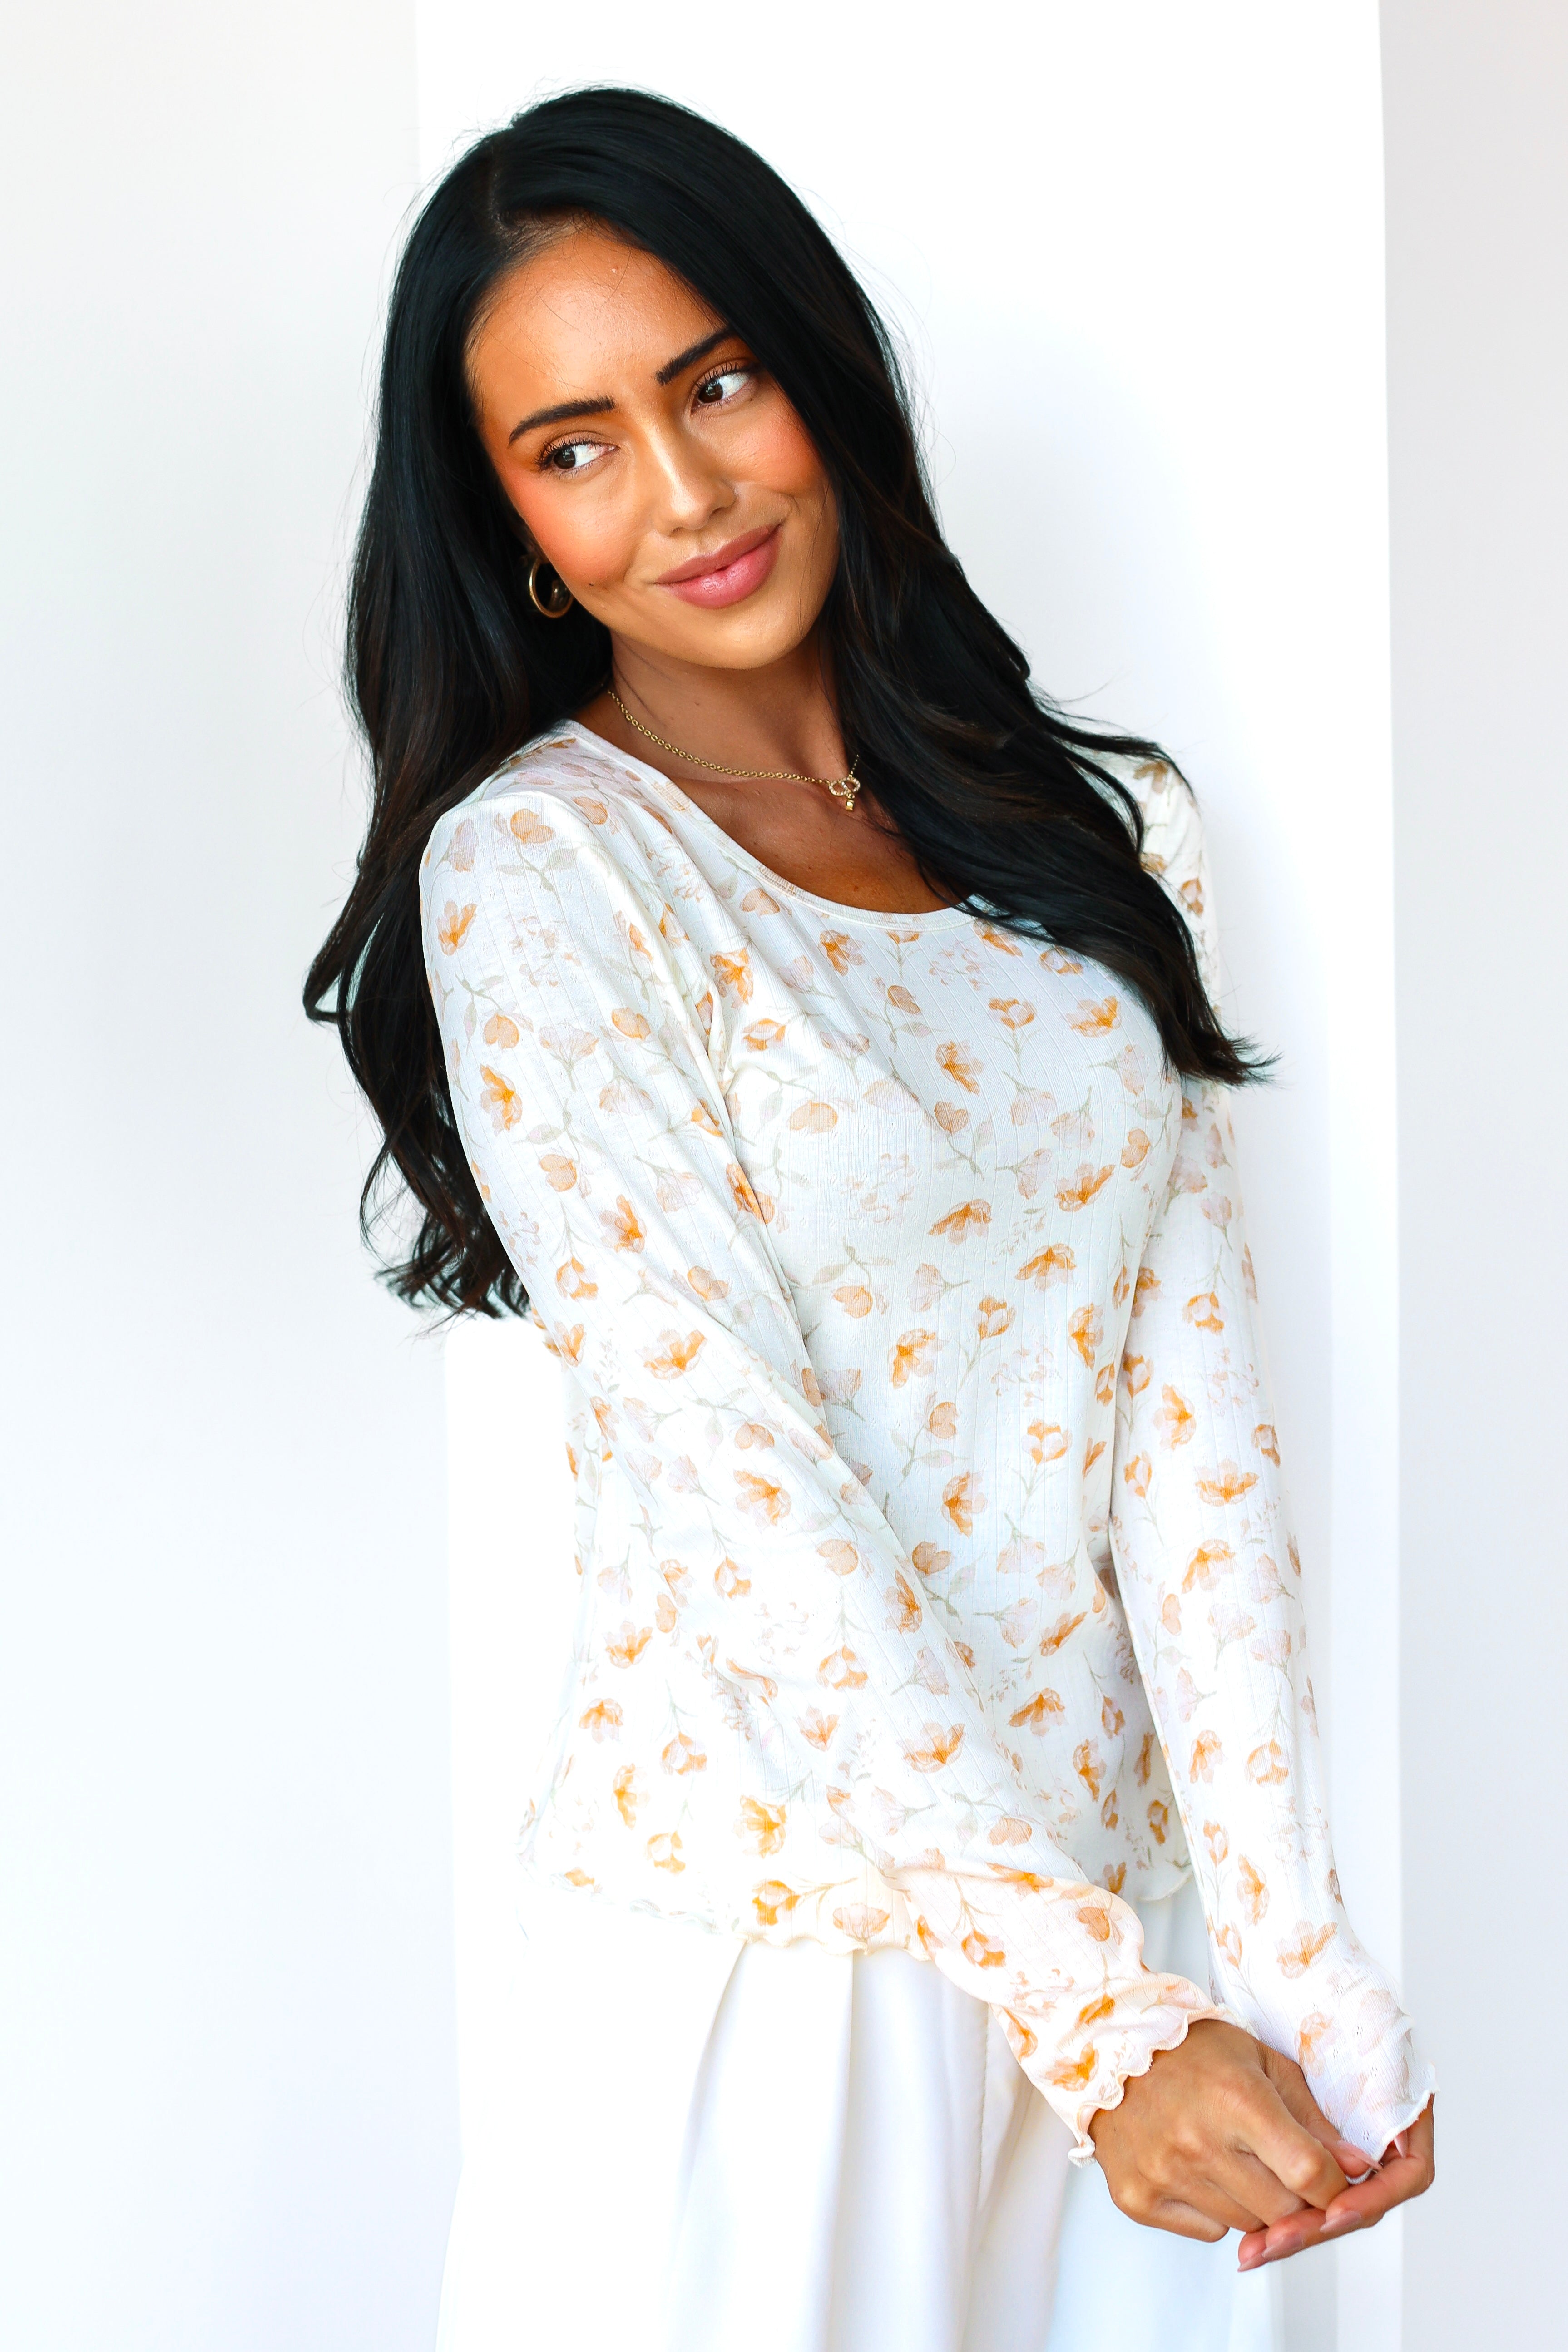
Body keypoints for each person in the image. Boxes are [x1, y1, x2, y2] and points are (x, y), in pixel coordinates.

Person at [307, 86, 1435, 2352]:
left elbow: (1189, 1435)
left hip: (1129, 1972)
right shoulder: (548, 870)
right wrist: (1093, 2015)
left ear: (819, 373)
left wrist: (1293, 1957)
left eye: (716, 382)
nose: (686, 489)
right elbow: (744, 1485)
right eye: (576, 443)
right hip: (772, 1972)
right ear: (512, 522)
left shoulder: (1103, 829)